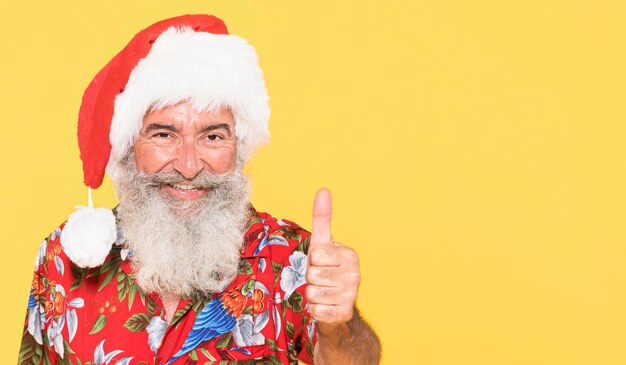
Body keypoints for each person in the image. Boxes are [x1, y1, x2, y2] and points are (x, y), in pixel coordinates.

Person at [18, 14, 381, 365]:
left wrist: (338, 326)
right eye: (164, 134)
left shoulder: (289, 258)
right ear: (129, 146)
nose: (188, 167)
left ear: (237, 147)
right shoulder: (65, 259)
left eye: (212, 136)